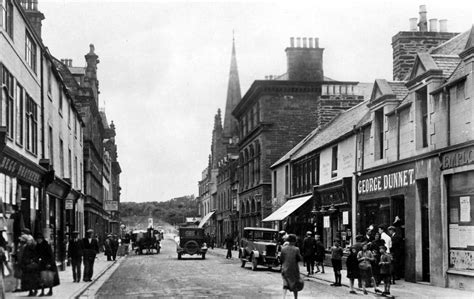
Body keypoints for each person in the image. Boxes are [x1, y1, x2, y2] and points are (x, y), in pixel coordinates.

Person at [280, 234, 303, 299]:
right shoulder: (296, 249)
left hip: (285, 268)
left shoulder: (283, 249)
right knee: (295, 284)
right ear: (294, 241)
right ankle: (295, 298)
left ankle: (283, 297)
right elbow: (299, 259)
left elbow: (281, 259)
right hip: (294, 269)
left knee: (285, 283)